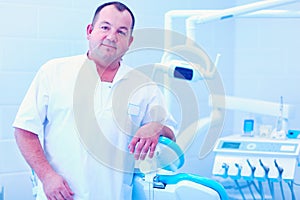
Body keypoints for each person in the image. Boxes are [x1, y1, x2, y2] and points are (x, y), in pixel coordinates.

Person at [13, 1, 176, 200]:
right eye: (105, 27)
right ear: (90, 31)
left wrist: (157, 127)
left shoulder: (143, 86)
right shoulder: (54, 72)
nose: (111, 37)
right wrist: (47, 176)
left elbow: (171, 137)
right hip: (61, 196)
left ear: (130, 41)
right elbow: (24, 129)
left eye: (121, 32)